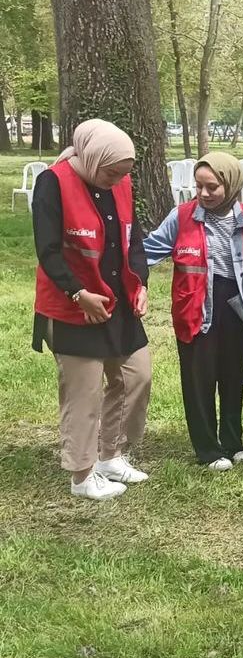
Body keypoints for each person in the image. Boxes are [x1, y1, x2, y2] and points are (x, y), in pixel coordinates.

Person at [32, 119, 152, 500]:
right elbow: (48, 250)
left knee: (135, 377)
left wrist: (142, 283)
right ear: (92, 156)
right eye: (111, 172)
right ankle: (82, 476)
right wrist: (77, 293)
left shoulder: (120, 182)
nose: (118, 180)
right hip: (74, 305)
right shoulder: (54, 182)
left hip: (117, 302)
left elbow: (133, 240)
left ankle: (110, 456)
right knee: (83, 392)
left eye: (124, 173)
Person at [144, 153, 243, 471]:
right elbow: (148, 250)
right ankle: (208, 450)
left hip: (237, 310)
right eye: (198, 186)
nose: (203, 193)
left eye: (211, 187)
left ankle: (232, 442)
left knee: (232, 375)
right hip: (196, 309)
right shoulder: (182, 216)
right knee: (199, 380)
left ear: (231, 185)